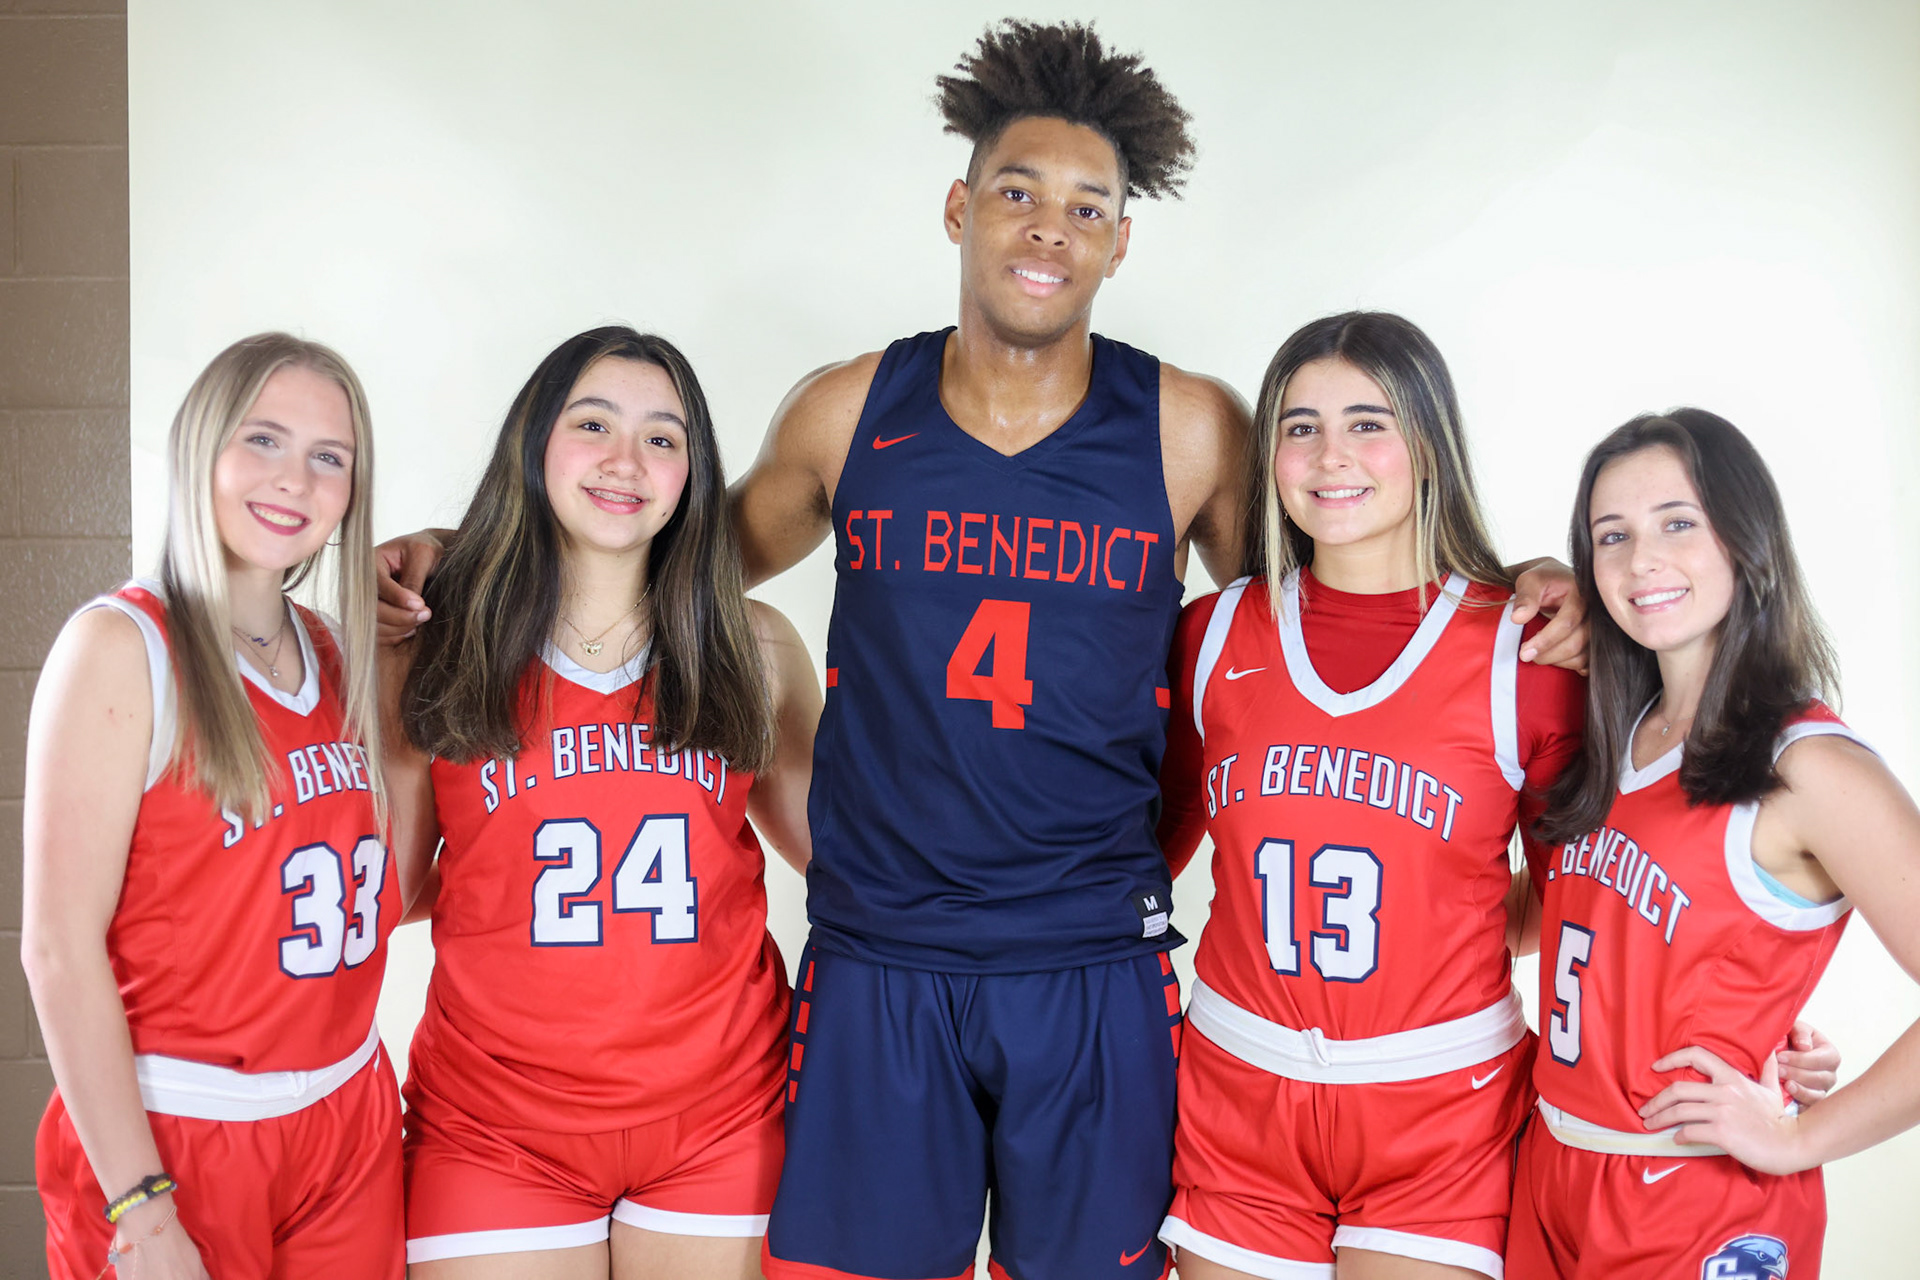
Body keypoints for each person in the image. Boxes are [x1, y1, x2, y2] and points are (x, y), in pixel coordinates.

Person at [375, 23, 1582, 1280]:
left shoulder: (1189, 430)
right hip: (881, 959)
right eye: (1017, 190)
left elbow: (1332, 609)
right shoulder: (848, 413)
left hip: (1095, 962)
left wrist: (1518, 588)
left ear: (1122, 239)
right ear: (958, 209)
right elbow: (665, 547)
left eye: (1086, 205)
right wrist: (467, 545)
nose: (1048, 227)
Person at [1155, 312, 1587, 1280]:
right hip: (1239, 1097)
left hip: (1442, 1109)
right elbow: (1146, 858)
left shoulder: (1527, 652)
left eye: (1367, 421)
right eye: (1299, 425)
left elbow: (1575, 900)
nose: (1329, 453)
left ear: (1427, 441)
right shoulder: (1210, 636)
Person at [389, 326, 819, 1280]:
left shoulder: (753, 647)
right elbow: (386, 886)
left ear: (693, 475)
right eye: (594, 425)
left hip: (721, 1111)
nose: (627, 461)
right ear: (534, 444)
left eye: (664, 438)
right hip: (496, 1125)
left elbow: (843, 864)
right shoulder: (439, 646)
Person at [25, 333, 406, 1278]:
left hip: (347, 1115)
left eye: (330, 458)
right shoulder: (122, 648)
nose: (294, 480)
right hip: (180, 1133)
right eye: (263, 440)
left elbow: (387, 894)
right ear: (201, 446)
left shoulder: (341, 653)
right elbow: (58, 950)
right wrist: (140, 1205)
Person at [1506, 410, 1920, 1278]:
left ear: (1747, 538)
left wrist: (1798, 1135)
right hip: (1551, 1169)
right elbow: (1562, 926)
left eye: (1678, 523)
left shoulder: (1809, 765)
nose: (1639, 560)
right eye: (1609, 536)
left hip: (1697, 1198)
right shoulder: (1611, 735)